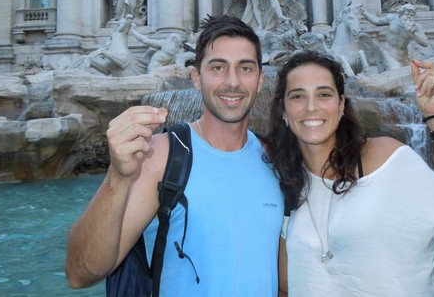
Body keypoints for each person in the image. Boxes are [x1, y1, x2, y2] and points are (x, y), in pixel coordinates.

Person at [65, 15, 284, 295]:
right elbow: (81, 274)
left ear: (260, 79)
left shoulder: (275, 161)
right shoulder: (159, 155)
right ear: (196, 77)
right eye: (218, 67)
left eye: (245, 68)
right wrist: (117, 177)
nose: (233, 81)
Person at [263, 50, 434, 296]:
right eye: (297, 96)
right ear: (283, 110)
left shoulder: (391, 160)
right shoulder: (285, 179)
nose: (311, 107)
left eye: (324, 94)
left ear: (342, 104)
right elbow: (287, 286)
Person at [360, 3, 429, 70]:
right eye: (407, 14)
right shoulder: (392, 19)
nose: (409, 16)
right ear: (401, 13)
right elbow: (377, 21)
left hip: (404, 57)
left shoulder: (416, 27)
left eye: (411, 15)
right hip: (389, 54)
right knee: (396, 73)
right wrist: (364, 12)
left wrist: (413, 33)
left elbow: (425, 43)